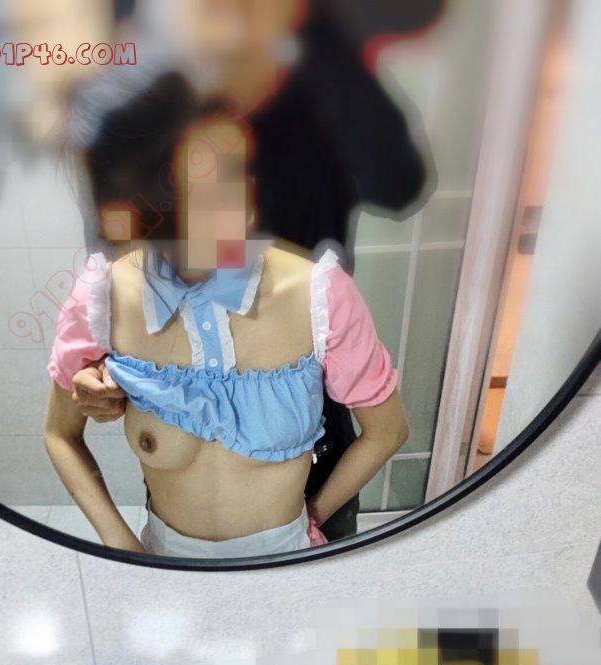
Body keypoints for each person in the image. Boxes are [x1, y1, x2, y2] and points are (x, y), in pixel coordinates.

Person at [67, 0, 435, 541]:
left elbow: (399, 183)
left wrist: (326, 46)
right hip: (179, 442)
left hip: (311, 392)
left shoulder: (316, 96)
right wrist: (97, 368)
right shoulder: (150, 111)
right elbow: (119, 253)